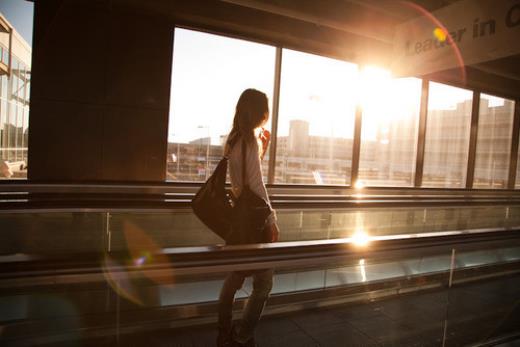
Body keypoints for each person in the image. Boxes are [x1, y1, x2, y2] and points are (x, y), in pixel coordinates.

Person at [217, 89, 280, 347]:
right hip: (255, 220)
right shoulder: (249, 141)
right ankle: (242, 336)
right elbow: (256, 185)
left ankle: (224, 331)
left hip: (239, 219)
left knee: (236, 276)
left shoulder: (232, 140)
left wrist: (261, 148)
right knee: (264, 283)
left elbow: (241, 181)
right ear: (258, 112)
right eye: (265, 110)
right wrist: (271, 219)